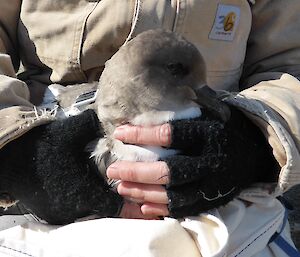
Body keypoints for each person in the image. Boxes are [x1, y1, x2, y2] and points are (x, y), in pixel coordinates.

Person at [0, 0, 299, 256]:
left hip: (220, 203)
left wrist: (258, 139)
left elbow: (290, 62)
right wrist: (17, 155)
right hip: (45, 185)